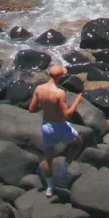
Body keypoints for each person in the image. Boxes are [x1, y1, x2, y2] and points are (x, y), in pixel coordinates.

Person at [29, 64, 83, 196]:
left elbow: (31, 109)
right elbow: (67, 114)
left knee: (49, 159)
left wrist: (45, 107)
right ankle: (64, 170)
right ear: (60, 77)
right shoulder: (59, 93)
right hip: (60, 125)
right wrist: (77, 102)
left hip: (46, 126)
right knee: (78, 143)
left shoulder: (39, 89)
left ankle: (49, 188)